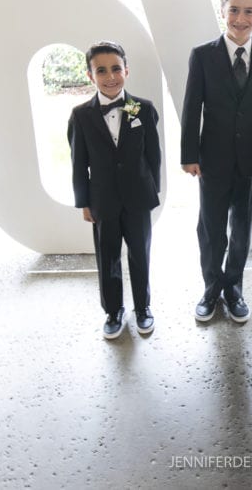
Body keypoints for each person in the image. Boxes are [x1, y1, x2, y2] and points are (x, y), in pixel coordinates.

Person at [181, 0, 252, 323]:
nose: (241, 18)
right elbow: (192, 107)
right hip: (212, 160)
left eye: (248, 11)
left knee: (242, 227)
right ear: (223, 11)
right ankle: (211, 288)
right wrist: (189, 154)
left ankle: (234, 287)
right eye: (234, 10)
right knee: (210, 227)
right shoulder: (203, 56)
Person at [68, 41, 161, 339]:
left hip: (137, 199)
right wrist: (84, 201)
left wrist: (152, 191)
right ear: (90, 75)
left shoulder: (142, 109)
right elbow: (78, 163)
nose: (110, 77)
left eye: (116, 69)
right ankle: (113, 310)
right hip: (103, 200)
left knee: (140, 254)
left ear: (126, 70)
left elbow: (153, 156)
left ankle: (143, 307)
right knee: (107, 255)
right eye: (102, 70)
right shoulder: (80, 116)